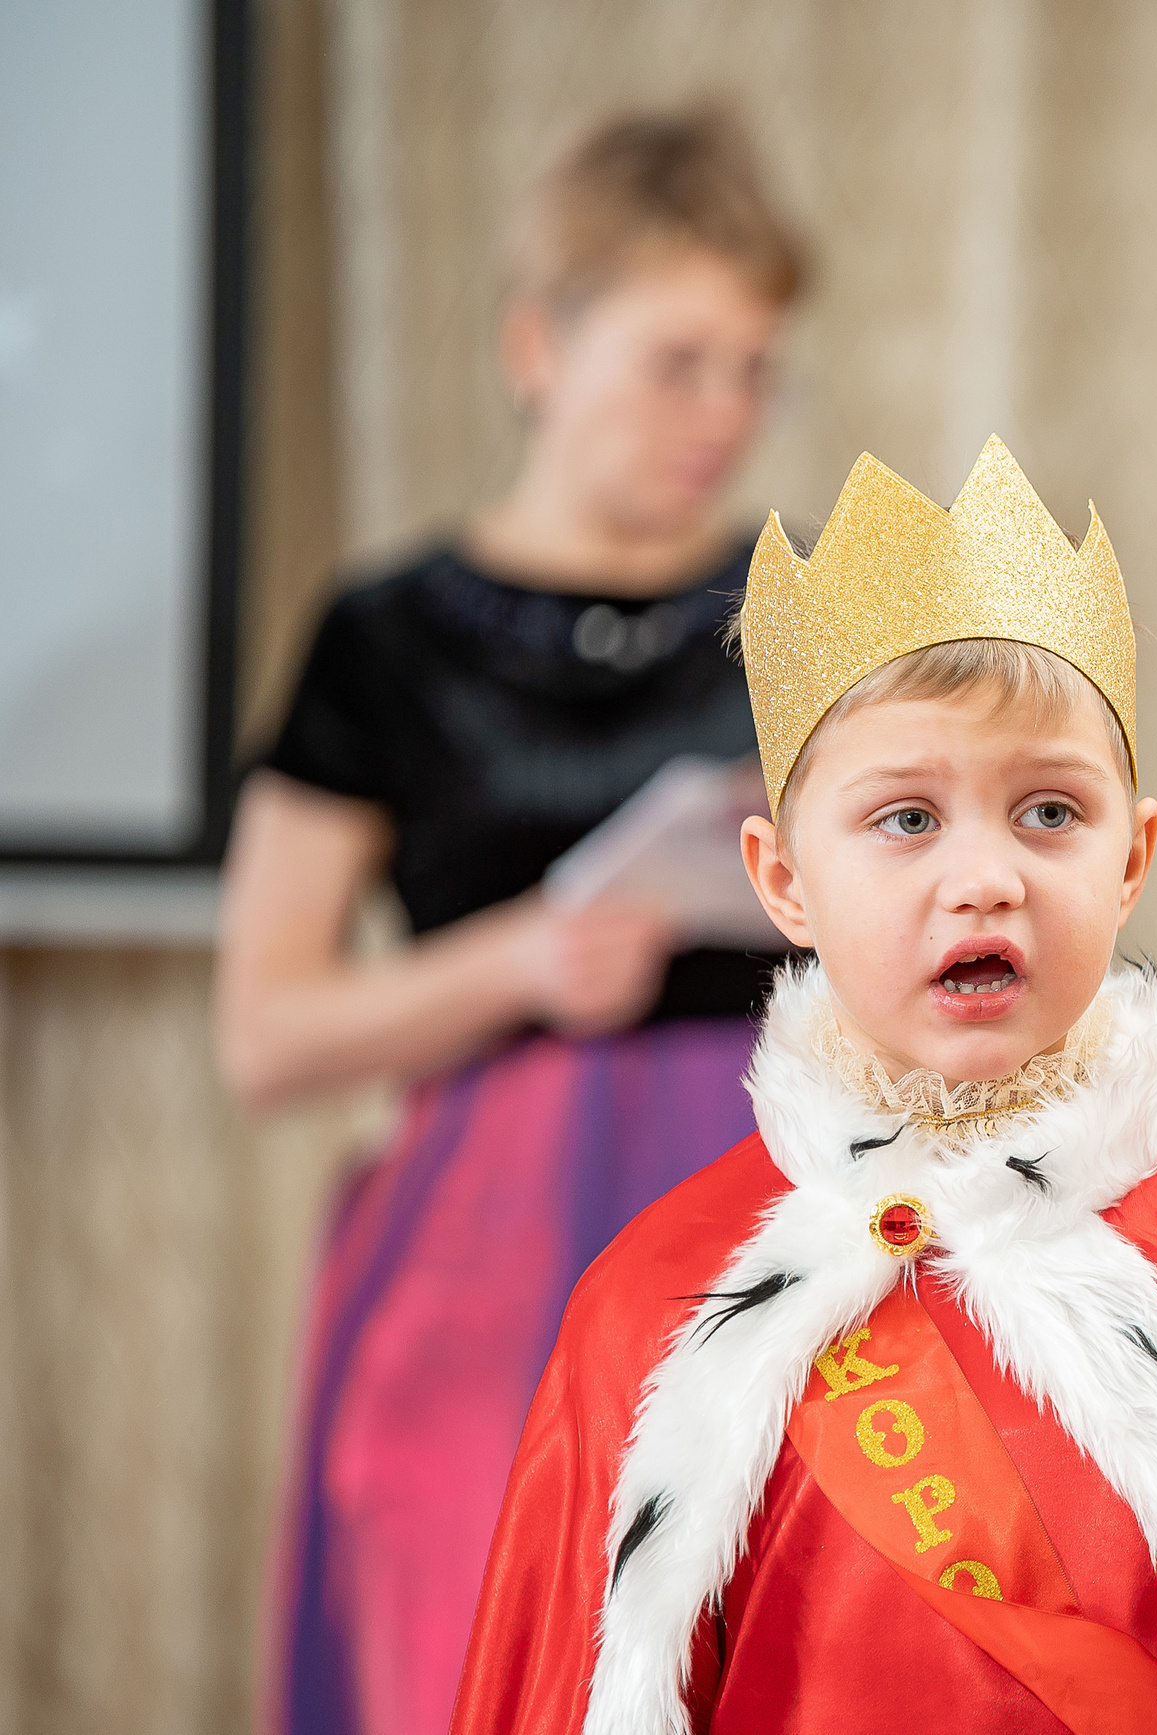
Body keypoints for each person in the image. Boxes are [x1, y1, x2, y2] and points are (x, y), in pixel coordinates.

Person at [449, 437, 1157, 1735]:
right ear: (782, 881)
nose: (987, 878)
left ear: (1131, 861)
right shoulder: (653, 1309)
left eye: (1050, 813)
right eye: (907, 819)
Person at [215, 104, 809, 1735]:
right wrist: (523, 961)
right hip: (483, 1253)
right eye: (677, 364)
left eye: (753, 369)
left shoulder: (815, 613)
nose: (722, 414)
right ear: (537, 344)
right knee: (471, 1648)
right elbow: (266, 1034)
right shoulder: (385, 640)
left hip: (779, 1223)